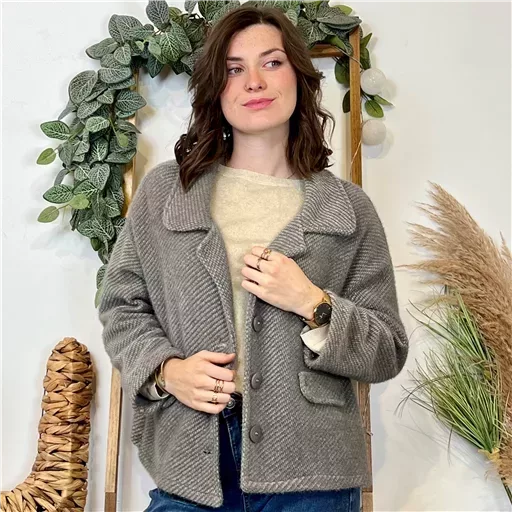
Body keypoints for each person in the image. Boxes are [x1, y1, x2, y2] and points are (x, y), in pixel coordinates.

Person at [98, 5, 409, 512]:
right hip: (190, 464)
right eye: (234, 69)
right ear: (216, 89)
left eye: (272, 62)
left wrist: (313, 303)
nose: (254, 82)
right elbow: (121, 307)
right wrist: (166, 370)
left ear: (298, 77)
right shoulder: (166, 193)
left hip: (313, 474)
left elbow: (388, 350)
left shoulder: (348, 209)